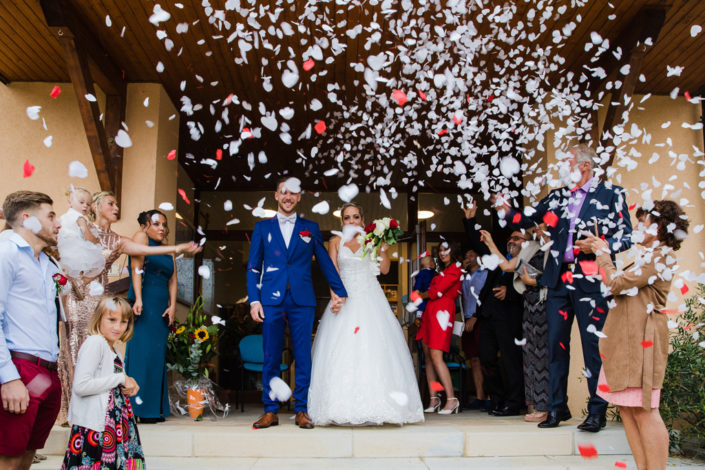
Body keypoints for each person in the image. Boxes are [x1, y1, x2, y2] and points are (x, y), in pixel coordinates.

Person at [497, 144, 633, 431]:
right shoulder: (559, 196)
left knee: (592, 346)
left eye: (566, 160)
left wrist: (600, 246)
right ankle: (557, 408)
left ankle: (597, 410)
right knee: (555, 346)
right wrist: (508, 210)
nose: (560, 164)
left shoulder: (612, 194)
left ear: (584, 165)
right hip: (558, 280)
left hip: (591, 280)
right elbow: (530, 218)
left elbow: (627, 236)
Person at [57, 191, 201, 424]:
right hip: (78, 297)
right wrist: (139, 298)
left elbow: (155, 264)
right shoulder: (78, 227)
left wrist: (177, 249)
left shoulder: (120, 239)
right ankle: (73, 412)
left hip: (103, 299)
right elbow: (136, 268)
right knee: (76, 351)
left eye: (116, 203)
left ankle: (123, 408)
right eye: (111, 204)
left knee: (107, 352)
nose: (116, 208)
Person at [586, 200, 687, 470]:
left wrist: (603, 254)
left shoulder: (662, 255)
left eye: (643, 221)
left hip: (641, 339)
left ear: (660, 225)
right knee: (627, 409)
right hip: (623, 339)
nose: (638, 226)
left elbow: (616, 283)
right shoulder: (646, 256)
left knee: (645, 410)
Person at [308, 203, 424, 425]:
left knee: (374, 348)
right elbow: (333, 273)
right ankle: (337, 407)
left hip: (370, 298)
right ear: (341, 222)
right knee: (341, 350)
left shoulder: (372, 240)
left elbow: (385, 269)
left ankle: (380, 404)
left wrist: (384, 249)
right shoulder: (334, 241)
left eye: (355, 217)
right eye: (346, 218)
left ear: (362, 220)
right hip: (344, 298)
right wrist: (335, 298)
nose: (351, 221)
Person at [246, 177, 348, 429]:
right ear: (277, 195)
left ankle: (302, 409)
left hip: (302, 299)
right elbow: (253, 267)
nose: (289, 197)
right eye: (284, 192)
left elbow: (323, 260)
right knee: (270, 354)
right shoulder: (262, 228)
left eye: (294, 193)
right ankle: (270, 410)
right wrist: (254, 300)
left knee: (303, 356)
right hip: (271, 300)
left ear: (300, 197)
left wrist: (339, 290)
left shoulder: (310, 227)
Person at [0, 191, 64, 470]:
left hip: (48, 370)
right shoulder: (6, 253)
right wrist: (8, 378)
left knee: (27, 456)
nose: (58, 222)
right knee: (9, 459)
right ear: (27, 219)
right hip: (20, 368)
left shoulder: (48, 264)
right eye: (50, 215)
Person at [61, 296, 144, 469]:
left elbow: (111, 382)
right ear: (99, 318)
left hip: (114, 424)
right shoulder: (95, 342)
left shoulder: (114, 350)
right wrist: (120, 378)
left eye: (123, 322)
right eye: (112, 319)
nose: (117, 327)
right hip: (97, 426)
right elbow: (82, 386)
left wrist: (129, 385)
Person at [481, 224, 551, 422]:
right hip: (530, 307)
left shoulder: (549, 249)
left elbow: (536, 278)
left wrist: (531, 278)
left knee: (542, 357)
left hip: (543, 304)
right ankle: (534, 404)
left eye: (541, 227)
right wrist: (491, 244)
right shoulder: (528, 252)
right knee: (531, 358)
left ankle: (545, 406)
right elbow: (508, 266)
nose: (538, 230)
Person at [463, 202, 525, 416]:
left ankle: (515, 402)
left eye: (517, 238)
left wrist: (512, 293)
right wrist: (470, 220)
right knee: (486, 358)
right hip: (488, 314)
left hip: (510, 315)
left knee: (510, 359)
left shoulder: (526, 259)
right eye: (511, 238)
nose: (511, 240)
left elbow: (533, 284)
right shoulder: (496, 258)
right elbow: (479, 245)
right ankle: (498, 399)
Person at [124, 209, 176, 423]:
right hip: (144, 302)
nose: (161, 228)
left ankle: (154, 408)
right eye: (156, 224)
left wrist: (172, 306)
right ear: (145, 226)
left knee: (156, 356)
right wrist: (138, 299)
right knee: (141, 353)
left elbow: (173, 279)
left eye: (164, 224)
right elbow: (136, 269)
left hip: (161, 305)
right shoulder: (140, 238)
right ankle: (136, 408)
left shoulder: (168, 250)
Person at [415, 241, 464, 414]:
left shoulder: (456, 269)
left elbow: (438, 291)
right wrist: (429, 292)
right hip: (430, 310)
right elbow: (434, 289)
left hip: (442, 311)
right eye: (441, 251)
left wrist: (424, 294)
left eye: (446, 250)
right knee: (428, 356)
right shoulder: (441, 271)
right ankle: (434, 398)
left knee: (436, 355)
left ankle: (451, 399)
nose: (443, 253)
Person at [459, 248, 489, 411]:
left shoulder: (485, 274)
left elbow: (485, 298)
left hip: (480, 319)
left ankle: (491, 396)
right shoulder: (463, 277)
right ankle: (479, 396)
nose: (468, 258)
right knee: (474, 359)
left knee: (486, 357)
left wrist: (476, 317)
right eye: (466, 256)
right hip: (466, 320)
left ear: (479, 257)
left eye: (471, 255)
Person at [57, 187, 105, 279]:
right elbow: (87, 236)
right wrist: (96, 241)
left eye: (88, 204)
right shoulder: (80, 218)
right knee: (99, 264)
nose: (85, 206)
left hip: (65, 252)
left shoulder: (64, 217)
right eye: (81, 202)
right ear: (69, 203)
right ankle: (82, 284)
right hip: (78, 251)